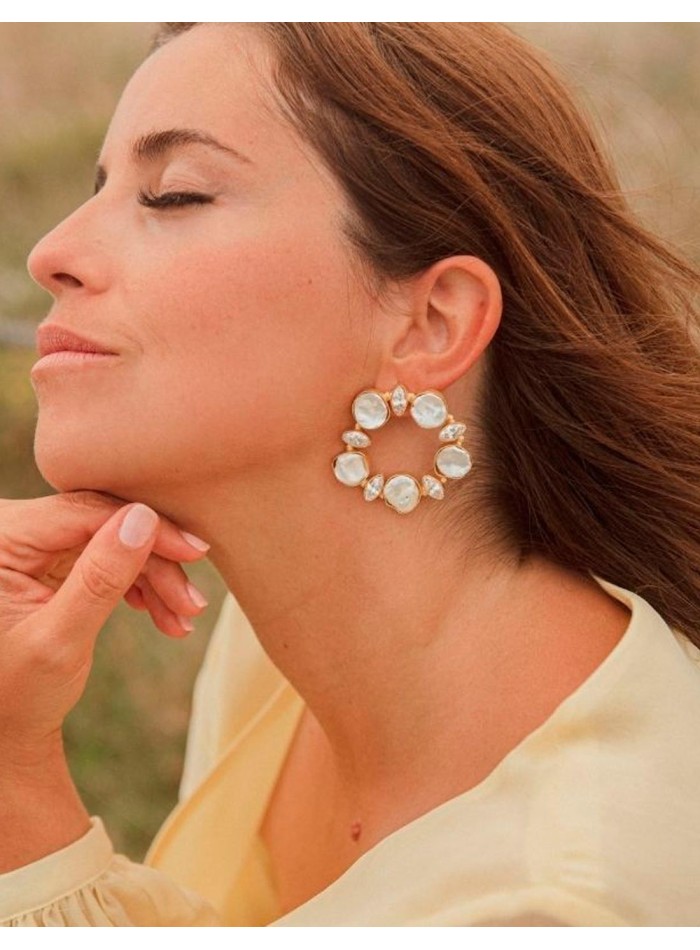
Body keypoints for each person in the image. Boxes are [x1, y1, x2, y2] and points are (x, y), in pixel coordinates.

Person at [1, 21, 700, 927]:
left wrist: (13, 785)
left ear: (432, 326)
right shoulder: (275, 649)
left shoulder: (560, 907)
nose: (48, 251)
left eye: (173, 194)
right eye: (102, 188)